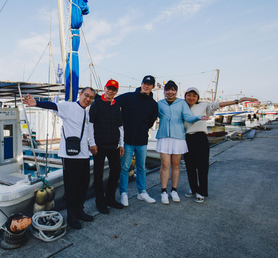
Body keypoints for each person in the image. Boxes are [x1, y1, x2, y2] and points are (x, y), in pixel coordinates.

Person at [22, 87, 96, 230]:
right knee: (72, 187)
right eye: (86, 95)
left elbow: (88, 131)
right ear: (80, 94)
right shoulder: (69, 106)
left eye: (91, 97)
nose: (88, 99)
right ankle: (72, 216)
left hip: (83, 154)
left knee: (83, 184)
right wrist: (36, 103)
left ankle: (80, 210)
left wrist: (92, 145)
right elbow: (53, 105)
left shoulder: (86, 114)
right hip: (70, 155)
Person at [184, 87, 258, 203]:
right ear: (185, 96)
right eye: (189, 95)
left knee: (202, 166)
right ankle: (193, 189)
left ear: (198, 97)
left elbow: (218, 104)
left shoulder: (204, 106)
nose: (191, 98)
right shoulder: (183, 107)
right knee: (190, 166)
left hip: (200, 137)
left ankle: (201, 191)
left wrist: (238, 101)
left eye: (194, 96)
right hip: (187, 139)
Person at [156, 81, 209, 205]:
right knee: (165, 164)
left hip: (178, 137)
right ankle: (163, 191)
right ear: (164, 91)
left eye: (173, 90)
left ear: (177, 91)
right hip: (164, 136)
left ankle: (174, 190)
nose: (170, 92)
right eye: (168, 89)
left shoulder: (182, 103)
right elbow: (153, 115)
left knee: (175, 165)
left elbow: (188, 117)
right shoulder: (159, 103)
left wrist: (199, 117)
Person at [116, 75, 159, 206]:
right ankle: (123, 193)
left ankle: (142, 192)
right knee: (124, 167)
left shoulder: (153, 104)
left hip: (142, 141)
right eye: (144, 83)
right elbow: (112, 102)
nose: (146, 86)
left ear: (153, 87)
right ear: (141, 84)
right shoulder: (128, 97)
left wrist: (141, 128)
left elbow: (151, 122)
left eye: (149, 84)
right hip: (127, 140)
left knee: (141, 168)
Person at [88, 79, 125, 214]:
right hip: (99, 145)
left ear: (116, 92)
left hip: (113, 145)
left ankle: (110, 198)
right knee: (98, 174)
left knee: (116, 170)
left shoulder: (117, 106)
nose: (110, 91)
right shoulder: (96, 104)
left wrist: (121, 144)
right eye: (109, 88)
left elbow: (120, 126)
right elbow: (90, 124)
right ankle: (100, 201)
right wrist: (92, 143)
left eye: (113, 89)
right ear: (104, 88)